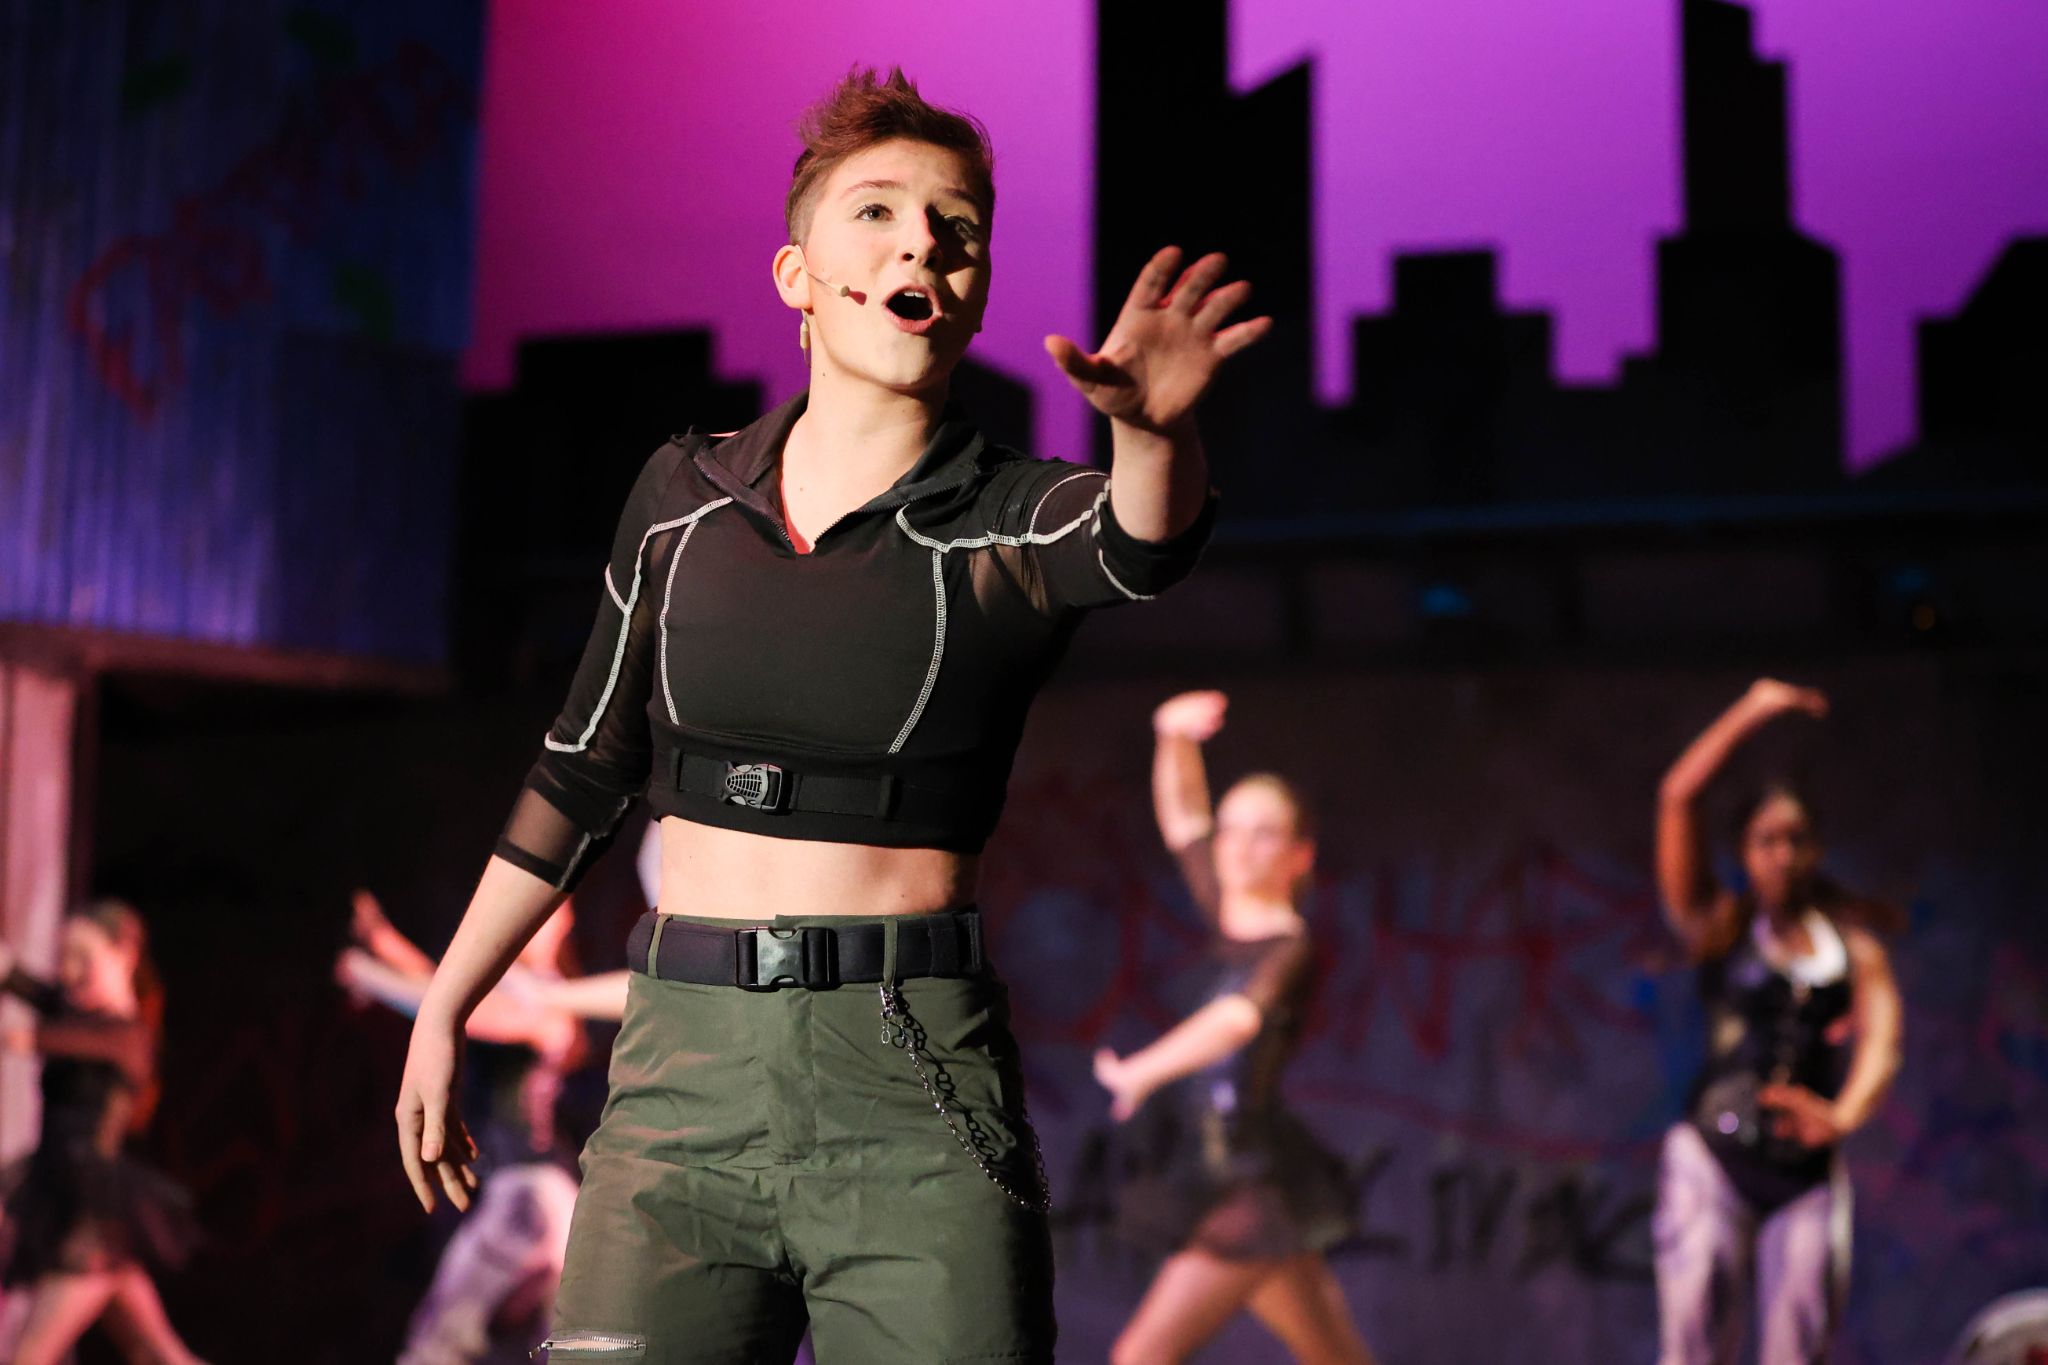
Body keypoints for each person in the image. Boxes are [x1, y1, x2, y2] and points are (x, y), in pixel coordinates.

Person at [392, 66, 1267, 1365]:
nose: (921, 243)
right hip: (680, 1082)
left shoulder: (1004, 517)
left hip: (911, 1080)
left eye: (956, 228)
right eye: (878, 211)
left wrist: (1150, 436)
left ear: (973, 294)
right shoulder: (682, 499)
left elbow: (1137, 543)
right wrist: (443, 1005)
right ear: (796, 277)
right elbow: (581, 768)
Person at [1094, 689, 1373, 1365]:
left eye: (1264, 833)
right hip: (1223, 1177)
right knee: (1335, 1357)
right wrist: (1173, 738)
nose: (1240, 846)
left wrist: (1144, 1070)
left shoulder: (1289, 946)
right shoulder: (1225, 908)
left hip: (1249, 1185)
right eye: (1232, 829)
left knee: (1140, 1357)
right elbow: (1184, 818)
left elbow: (1235, 1019)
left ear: (1299, 855)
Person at [1653, 679, 1906, 1365]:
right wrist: (1754, 708)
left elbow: (1883, 1042)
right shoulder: (1721, 926)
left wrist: (1842, 1115)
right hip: (1715, 1158)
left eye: (1795, 839)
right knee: (1694, 1338)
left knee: (1799, 1341)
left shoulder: (1850, 949)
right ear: (1744, 850)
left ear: (1816, 848)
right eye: (1766, 840)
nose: (1782, 855)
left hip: (1804, 1173)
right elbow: (1677, 796)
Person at [337, 890, 624, 1364]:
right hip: (542, 1200)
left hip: (529, 1197)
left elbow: (458, 1012)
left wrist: (368, 972)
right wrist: (384, 942)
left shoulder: (547, 1003)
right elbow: (446, 989)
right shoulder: (526, 991)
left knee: (439, 1345)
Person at [0, 900, 205, 1365]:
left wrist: (32, 1039)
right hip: (73, 1205)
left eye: (83, 958)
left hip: (90, 1224)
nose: (69, 972)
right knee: (158, 1354)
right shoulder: (75, 1011)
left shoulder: (128, 1035)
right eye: (64, 958)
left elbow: (79, 1041)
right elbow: (25, 985)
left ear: (125, 953)